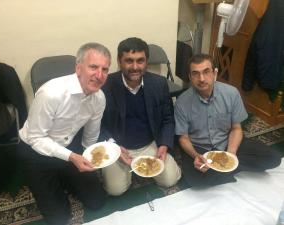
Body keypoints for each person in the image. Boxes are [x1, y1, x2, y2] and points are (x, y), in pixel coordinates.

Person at [18, 43, 111, 225]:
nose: (99, 75)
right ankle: (54, 179)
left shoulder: (99, 98)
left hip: (70, 147)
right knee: (59, 218)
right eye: (93, 67)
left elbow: (90, 137)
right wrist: (71, 158)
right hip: (35, 151)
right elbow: (35, 138)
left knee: (97, 201)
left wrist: (90, 158)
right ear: (78, 68)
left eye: (105, 69)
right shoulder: (51, 93)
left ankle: (63, 176)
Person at [174, 53, 282, 187]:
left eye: (206, 72)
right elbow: (183, 138)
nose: (201, 78)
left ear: (215, 73)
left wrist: (231, 155)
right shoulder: (182, 101)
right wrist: (196, 156)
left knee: (273, 159)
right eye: (195, 74)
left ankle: (223, 171)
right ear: (190, 77)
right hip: (200, 148)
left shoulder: (231, 93)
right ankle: (224, 170)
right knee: (195, 181)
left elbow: (236, 129)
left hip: (227, 143)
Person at [99, 37, 181, 196]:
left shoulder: (159, 84)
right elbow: (98, 124)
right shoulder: (105, 86)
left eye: (140, 61)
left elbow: (168, 119)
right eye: (129, 61)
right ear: (119, 61)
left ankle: (138, 169)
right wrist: (113, 146)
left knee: (170, 180)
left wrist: (164, 145)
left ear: (147, 62)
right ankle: (125, 171)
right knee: (115, 190)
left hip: (150, 144)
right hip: (119, 147)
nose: (135, 67)